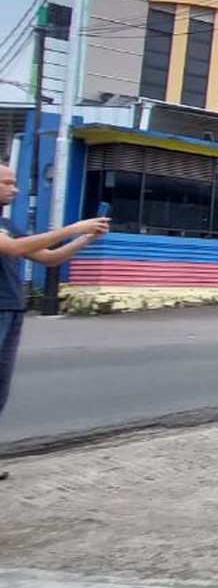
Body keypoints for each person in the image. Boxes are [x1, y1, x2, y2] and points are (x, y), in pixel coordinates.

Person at [0, 164, 110, 477]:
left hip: (11, 309)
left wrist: (86, 238)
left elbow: (48, 257)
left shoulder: (7, 223)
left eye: (14, 182)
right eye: (7, 183)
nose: (15, 189)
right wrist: (74, 227)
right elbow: (15, 248)